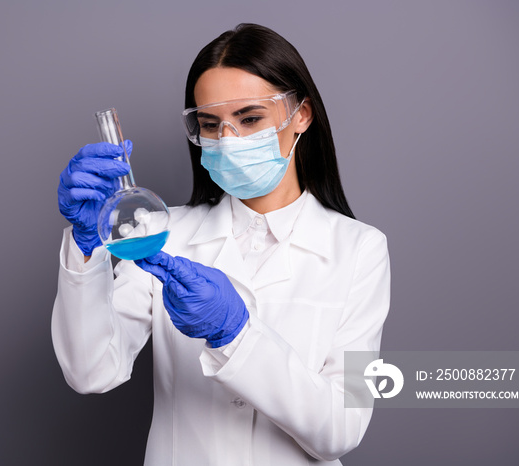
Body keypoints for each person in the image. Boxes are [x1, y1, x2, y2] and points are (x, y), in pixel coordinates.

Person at [52, 23, 390, 465]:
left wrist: (237, 336)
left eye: (250, 118)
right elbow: (90, 370)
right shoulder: (160, 230)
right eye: (211, 124)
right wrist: (86, 248)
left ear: (301, 116)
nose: (228, 141)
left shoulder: (362, 249)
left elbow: (342, 428)